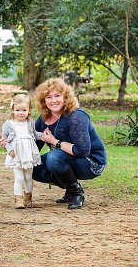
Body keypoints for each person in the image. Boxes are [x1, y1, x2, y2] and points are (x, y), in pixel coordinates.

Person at [33, 77, 107, 209]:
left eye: (57, 96)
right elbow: (34, 148)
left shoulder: (76, 116)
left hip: (91, 162)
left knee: (54, 157)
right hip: (66, 158)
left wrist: (54, 141)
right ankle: (69, 186)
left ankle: (76, 193)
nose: (53, 100)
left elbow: (82, 151)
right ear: (43, 100)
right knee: (31, 165)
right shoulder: (43, 119)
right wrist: (11, 144)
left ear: (65, 97)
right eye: (49, 97)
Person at [1, 94, 43, 209]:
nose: (21, 113)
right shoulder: (8, 124)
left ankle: (28, 198)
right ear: (13, 110)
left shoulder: (30, 123)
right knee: (19, 178)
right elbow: (4, 140)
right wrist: (9, 150)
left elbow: (35, 135)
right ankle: (18, 199)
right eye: (18, 110)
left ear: (29, 111)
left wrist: (44, 136)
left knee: (29, 178)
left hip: (28, 155)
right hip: (16, 155)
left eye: (24, 110)